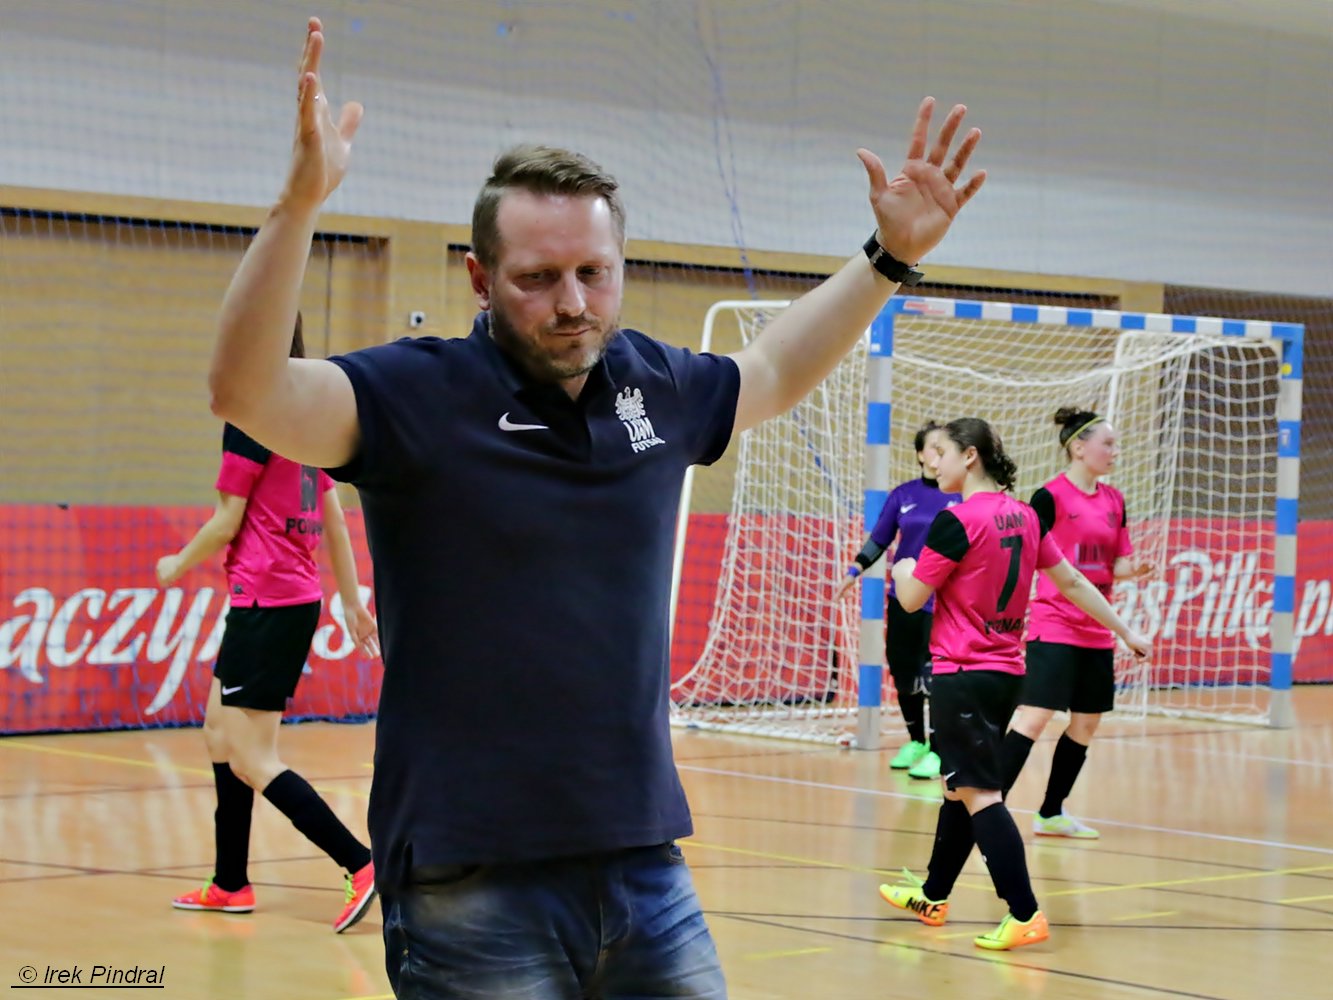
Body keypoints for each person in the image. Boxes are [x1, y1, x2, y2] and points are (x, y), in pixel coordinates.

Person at [206, 16, 985, 997]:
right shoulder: (416, 395)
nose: (571, 300)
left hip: (643, 860)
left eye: (593, 272)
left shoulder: (654, 383)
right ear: (481, 278)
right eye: (536, 279)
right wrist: (297, 205)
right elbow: (246, 389)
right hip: (465, 873)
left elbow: (777, 365)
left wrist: (886, 258)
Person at [877, 418, 1149, 950]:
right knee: (958, 787)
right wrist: (1125, 630)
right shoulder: (1024, 515)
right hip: (1008, 671)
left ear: (970, 457)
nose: (936, 465)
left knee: (980, 794)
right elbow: (1070, 580)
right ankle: (933, 895)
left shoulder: (956, 521)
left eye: (942, 454)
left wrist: (903, 563)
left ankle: (1023, 913)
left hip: (962, 673)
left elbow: (911, 598)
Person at [158, 313, 381, 933]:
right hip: (286, 600)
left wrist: (178, 561)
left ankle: (360, 863)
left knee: (254, 756)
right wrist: (354, 600)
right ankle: (230, 883)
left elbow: (227, 520)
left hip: (267, 604)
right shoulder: (305, 414)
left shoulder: (251, 418)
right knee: (217, 735)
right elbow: (335, 516)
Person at [999, 407, 1154, 838]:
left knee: (1086, 723)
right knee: (1034, 718)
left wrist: (1133, 569)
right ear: (1078, 448)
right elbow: (1028, 556)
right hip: (1055, 624)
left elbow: (1114, 563)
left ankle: (1051, 812)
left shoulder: (1114, 500)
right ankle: (988, 807)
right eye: (1108, 443)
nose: (1115, 451)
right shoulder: (1048, 497)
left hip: (1097, 630)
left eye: (1116, 444)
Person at [838, 421, 959, 780]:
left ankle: (938, 751)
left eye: (945, 448)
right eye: (933, 448)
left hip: (943, 603)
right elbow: (879, 538)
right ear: (921, 453)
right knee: (903, 670)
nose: (939, 455)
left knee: (934, 674)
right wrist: (853, 572)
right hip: (905, 598)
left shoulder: (961, 495)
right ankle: (917, 742)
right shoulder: (903, 495)